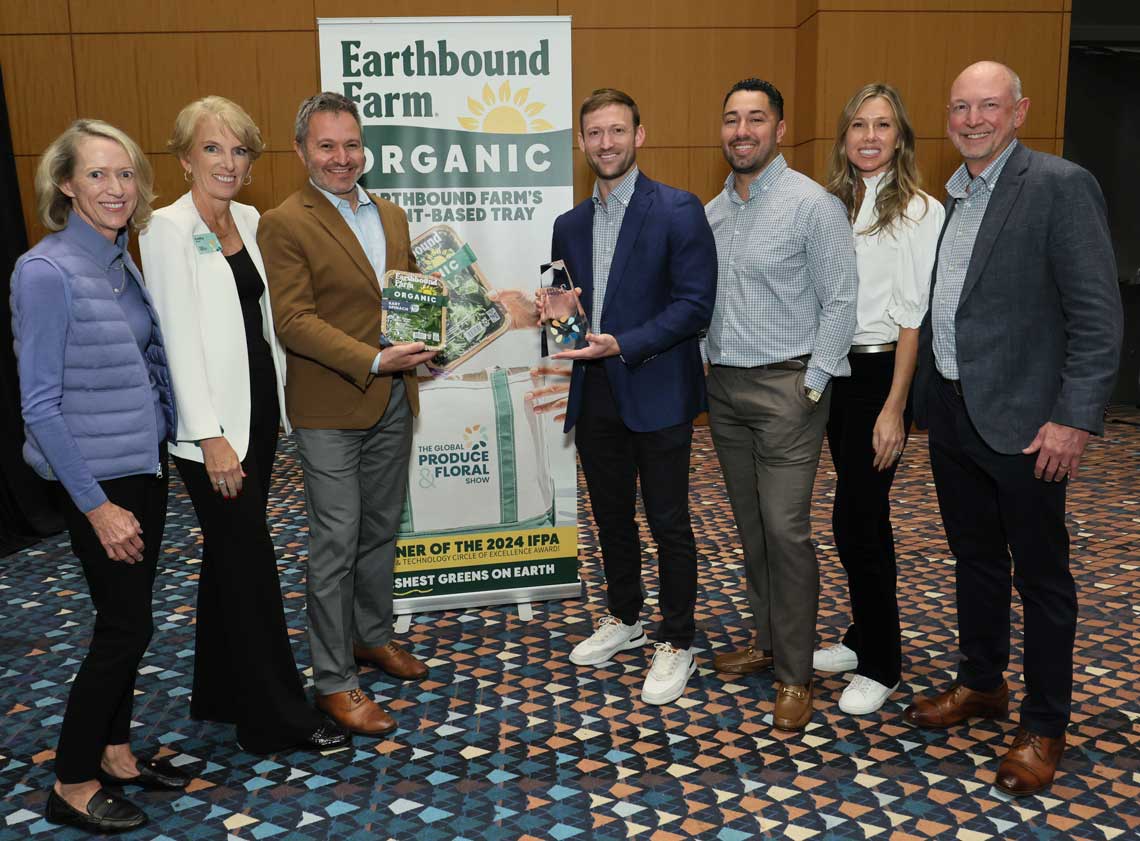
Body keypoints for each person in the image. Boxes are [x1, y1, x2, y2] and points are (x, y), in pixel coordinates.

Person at [904, 61, 1121, 796]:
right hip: (953, 412)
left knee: (1042, 577)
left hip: (1030, 424)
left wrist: (1073, 418)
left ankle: (1044, 723)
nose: (972, 120)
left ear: (1020, 111)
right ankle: (982, 683)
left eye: (988, 106)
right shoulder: (951, 197)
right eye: (960, 107)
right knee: (974, 560)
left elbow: (1097, 316)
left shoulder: (1059, 186)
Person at [139, 96, 348, 754]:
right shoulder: (165, 229)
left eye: (239, 150)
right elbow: (176, 341)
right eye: (212, 148)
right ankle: (273, 717)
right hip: (213, 431)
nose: (228, 162)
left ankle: (221, 691)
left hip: (257, 411)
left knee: (230, 556)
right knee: (252, 562)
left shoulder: (251, 220)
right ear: (184, 159)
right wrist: (210, 436)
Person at [11, 119, 185, 833]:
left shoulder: (118, 259)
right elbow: (39, 406)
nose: (116, 188)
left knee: (132, 624)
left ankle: (116, 752)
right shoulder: (45, 272)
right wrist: (96, 506)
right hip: (98, 483)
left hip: (141, 468)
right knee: (122, 628)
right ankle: (73, 779)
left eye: (126, 173)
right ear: (65, 184)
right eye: (97, 174)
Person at [257, 92, 436, 737]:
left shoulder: (391, 215)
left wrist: (433, 340)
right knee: (336, 539)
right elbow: (294, 321)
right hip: (329, 408)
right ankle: (334, 679)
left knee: (381, 529)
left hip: (392, 399)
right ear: (301, 150)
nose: (342, 157)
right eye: (327, 145)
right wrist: (375, 359)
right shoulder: (284, 222)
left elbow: (406, 302)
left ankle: (372, 635)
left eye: (352, 144)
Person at [549, 88, 717, 706]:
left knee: (669, 521)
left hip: (658, 389)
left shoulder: (678, 209)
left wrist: (623, 343)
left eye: (617, 130)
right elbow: (567, 312)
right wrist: (556, 318)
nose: (606, 143)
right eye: (594, 133)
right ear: (582, 142)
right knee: (611, 517)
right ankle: (625, 616)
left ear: (639, 135)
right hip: (595, 393)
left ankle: (678, 638)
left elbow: (694, 305)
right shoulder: (569, 225)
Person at [706, 78, 858, 731]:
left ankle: (796, 673)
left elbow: (842, 301)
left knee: (786, 531)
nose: (742, 131)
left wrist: (813, 384)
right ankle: (766, 641)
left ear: (780, 128)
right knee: (751, 528)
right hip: (725, 391)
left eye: (755, 118)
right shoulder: (710, 214)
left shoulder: (812, 205)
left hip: (790, 390)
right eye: (732, 119)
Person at [812, 84, 944, 715]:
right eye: (859, 125)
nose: (869, 137)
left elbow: (914, 318)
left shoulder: (919, 210)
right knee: (849, 513)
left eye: (883, 125)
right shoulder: (830, 205)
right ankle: (862, 635)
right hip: (836, 371)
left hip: (881, 372)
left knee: (861, 517)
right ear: (844, 137)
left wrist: (895, 407)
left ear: (901, 137)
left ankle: (883, 663)